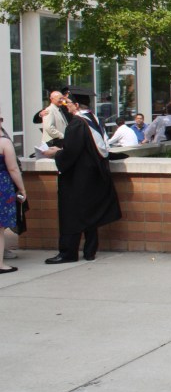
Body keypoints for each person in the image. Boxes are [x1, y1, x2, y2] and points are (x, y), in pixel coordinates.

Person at [40, 88, 122, 264]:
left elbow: (71, 152)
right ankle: (90, 250)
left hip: (77, 178)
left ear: (76, 105)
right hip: (92, 176)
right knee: (89, 212)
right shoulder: (92, 119)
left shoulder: (77, 123)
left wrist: (56, 153)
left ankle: (68, 253)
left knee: (71, 214)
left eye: (68, 102)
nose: (66, 105)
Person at [0, 112, 28, 274]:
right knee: (0, 228)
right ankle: (0, 264)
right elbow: (13, 168)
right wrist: (22, 188)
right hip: (2, 185)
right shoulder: (4, 142)